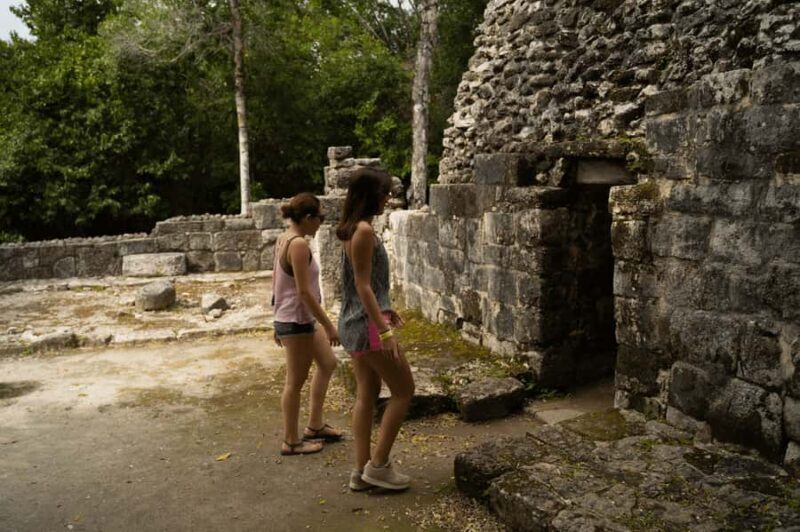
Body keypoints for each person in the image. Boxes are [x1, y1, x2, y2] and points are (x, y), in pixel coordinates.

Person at [336, 167, 415, 491]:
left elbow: (363, 287)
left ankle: (360, 470)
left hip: (353, 323)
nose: (388, 198)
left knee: (366, 395)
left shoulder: (351, 229)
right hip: (367, 326)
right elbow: (363, 285)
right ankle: (379, 465)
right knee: (404, 390)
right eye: (384, 192)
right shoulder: (364, 231)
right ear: (370, 195)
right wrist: (384, 330)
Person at [272, 193, 342, 456]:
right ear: (309, 218)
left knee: (328, 363)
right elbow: (303, 292)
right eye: (320, 218)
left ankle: (314, 425)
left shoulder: (285, 238)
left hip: (295, 318)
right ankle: (291, 441)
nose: (321, 223)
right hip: (297, 320)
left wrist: (275, 319)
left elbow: (277, 282)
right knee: (295, 382)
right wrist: (329, 325)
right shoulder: (298, 244)